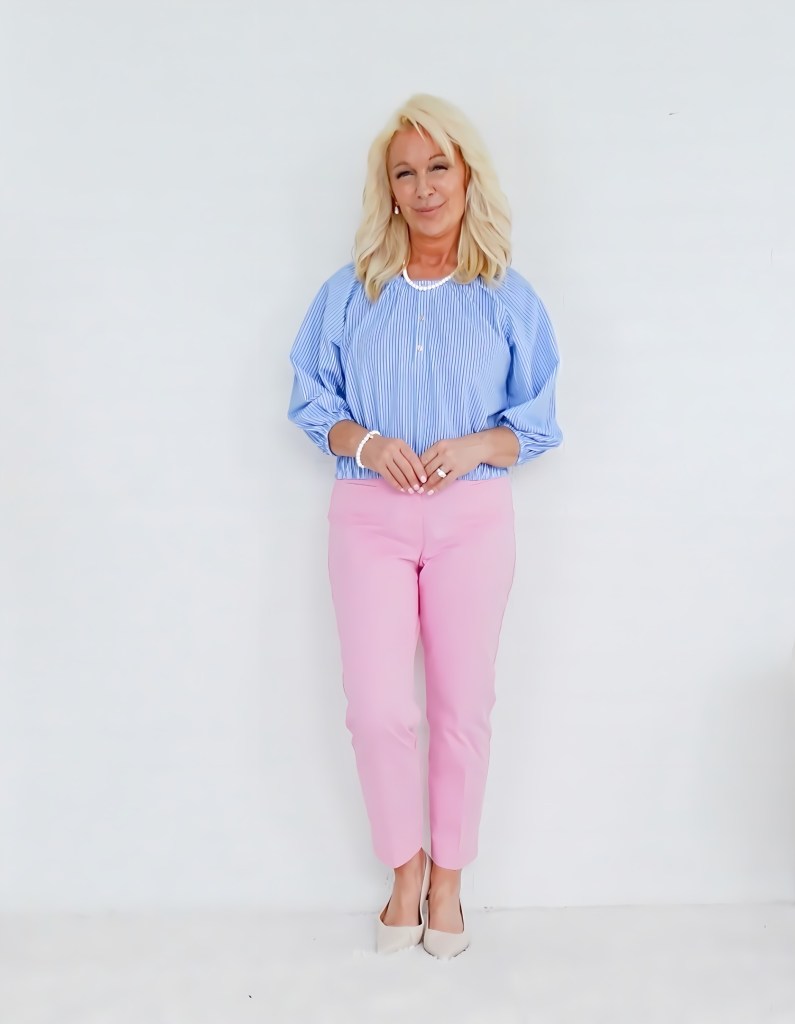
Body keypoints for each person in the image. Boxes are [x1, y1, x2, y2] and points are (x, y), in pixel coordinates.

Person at [287, 94, 563, 959]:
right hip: (367, 517)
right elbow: (311, 403)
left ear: (467, 174)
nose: (423, 186)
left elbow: (538, 424)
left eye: (438, 166)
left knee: (461, 707)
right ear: (389, 189)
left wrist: (477, 443)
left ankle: (449, 881)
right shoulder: (349, 294)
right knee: (376, 709)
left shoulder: (506, 298)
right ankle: (403, 870)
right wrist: (368, 444)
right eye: (404, 172)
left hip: (471, 518)